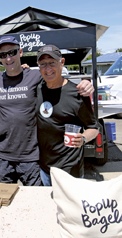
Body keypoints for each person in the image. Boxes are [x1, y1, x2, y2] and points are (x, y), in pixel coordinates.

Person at [0, 36, 94, 186]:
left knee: (37, 201)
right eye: (2, 55)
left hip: (31, 157)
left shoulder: (35, 76)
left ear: (20, 52)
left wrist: (86, 83)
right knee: (4, 202)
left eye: (12, 52)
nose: (8, 58)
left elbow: (58, 79)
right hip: (3, 155)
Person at [35, 45, 99, 186]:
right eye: (43, 64)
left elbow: (93, 128)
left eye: (52, 63)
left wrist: (83, 138)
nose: (47, 68)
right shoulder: (37, 89)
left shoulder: (77, 94)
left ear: (62, 62)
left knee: (71, 208)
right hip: (45, 170)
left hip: (70, 171)